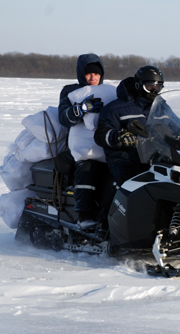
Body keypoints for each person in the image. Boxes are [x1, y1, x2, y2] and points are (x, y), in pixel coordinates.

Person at [94, 65, 165, 233]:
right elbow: (100, 135)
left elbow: (177, 125)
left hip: (154, 156)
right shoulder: (116, 107)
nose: (154, 90)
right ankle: (104, 224)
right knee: (127, 181)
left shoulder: (161, 107)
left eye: (158, 87)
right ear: (139, 85)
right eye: (151, 86)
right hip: (124, 157)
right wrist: (119, 137)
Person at [58, 53, 111, 223]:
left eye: (96, 73)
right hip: (79, 150)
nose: (92, 77)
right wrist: (80, 109)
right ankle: (85, 216)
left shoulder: (109, 93)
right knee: (86, 169)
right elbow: (63, 118)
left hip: (106, 145)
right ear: (81, 73)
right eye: (88, 73)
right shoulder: (70, 91)